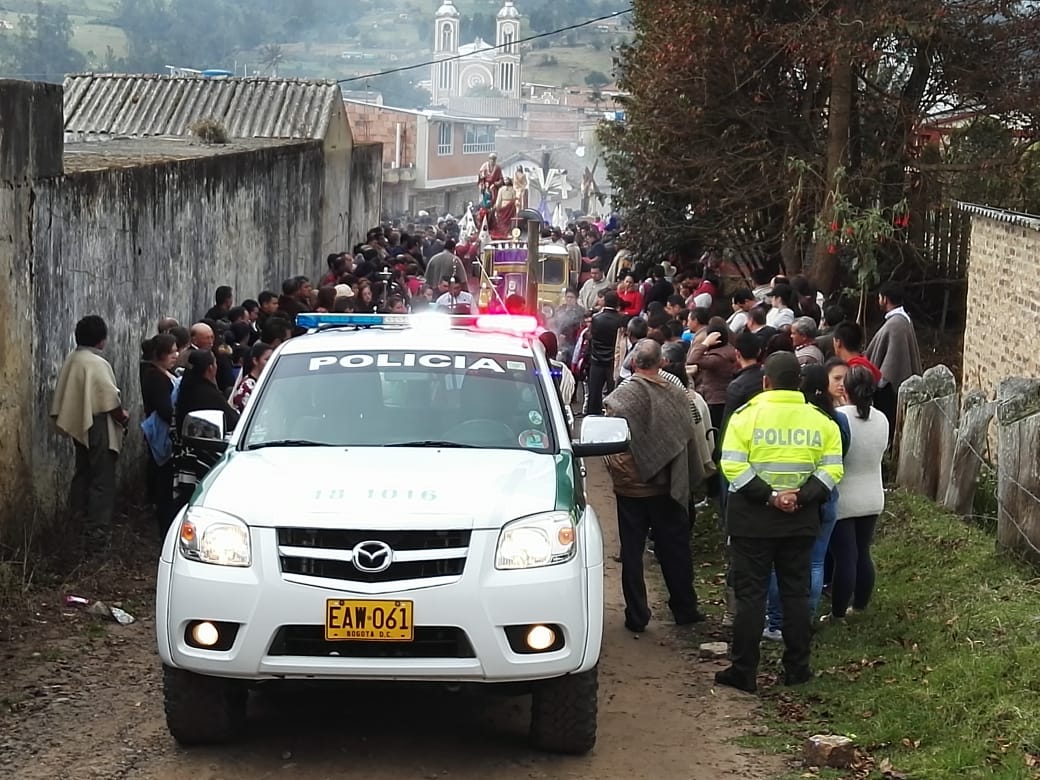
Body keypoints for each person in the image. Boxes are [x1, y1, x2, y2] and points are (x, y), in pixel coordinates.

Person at [715, 351, 844, 693]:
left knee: (751, 596)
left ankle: (744, 671)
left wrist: (770, 496)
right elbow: (832, 469)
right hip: (799, 521)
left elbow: (733, 466)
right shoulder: (821, 421)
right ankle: (797, 668)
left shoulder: (746, 417)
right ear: (799, 382)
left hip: (752, 522)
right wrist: (799, 497)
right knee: (795, 594)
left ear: (765, 382)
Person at [604, 339, 705, 632]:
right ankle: (685, 609)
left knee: (633, 554)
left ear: (634, 363)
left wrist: (625, 472)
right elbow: (687, 432)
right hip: (668, 483)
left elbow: (613, 443)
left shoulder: (621, 396)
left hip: (632, 489)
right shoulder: (677, 392)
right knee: (675, 548)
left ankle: (637, 615)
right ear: (661, 362)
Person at [763, 364, 850, 640]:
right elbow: (841, 455)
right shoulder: (838, 420)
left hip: (798, 497)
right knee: (815, 563)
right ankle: (805, 619)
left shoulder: (798, 417)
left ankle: (777, 622)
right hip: (827, 494)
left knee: (782, 563)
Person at [51, 315, 130, 547]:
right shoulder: (96, 362)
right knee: (102, 480)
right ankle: (96, 535)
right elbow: (109, 399)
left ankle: (76, 522)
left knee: (82, 473)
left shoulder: (73, 358)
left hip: (80, 424)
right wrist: (122, 417)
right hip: (98, 425)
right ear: (101, 340)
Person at [830, 366, 889, 619]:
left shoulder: (838, 417)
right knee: (863, 552)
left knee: (845, 557)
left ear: (847, 389)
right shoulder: (882, 419)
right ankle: (861, 605)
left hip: (844, 496)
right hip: (872, 494)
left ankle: (838, 612)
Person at [173, 350, 240, 509]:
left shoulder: (188, 387)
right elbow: (232, 420)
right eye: (215, 363)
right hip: (203, 453)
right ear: (210, 368)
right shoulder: (207, 393)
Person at [865, 281, 922, 438]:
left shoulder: (896, 324)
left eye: (879, 297)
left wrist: (881, 381)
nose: (879, 301)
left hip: (889, 390)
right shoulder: (900, 320)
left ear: (885, 299)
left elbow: (893, 360)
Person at [140, 333, 180, 539]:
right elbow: (164, 409)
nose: (176, 355)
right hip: (162, 433)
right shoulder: (155, 377)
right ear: (160, 354)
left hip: (166, 433)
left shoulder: (165, 372)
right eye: (172, 352)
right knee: (163, 480)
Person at [585, 290, 624, 415]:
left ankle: (592, 415)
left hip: (596, 359)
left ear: (605, 302)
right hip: (613, 360)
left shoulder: (596, 319)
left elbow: (592, 337)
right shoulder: (621, 320)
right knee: (614, 393)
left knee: (594, 392)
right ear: (617, 303)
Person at [231, 342, 272, 413]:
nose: (271, 362)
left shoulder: (268, 381)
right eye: (267, 359)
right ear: (255, 361)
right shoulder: (246, 387)